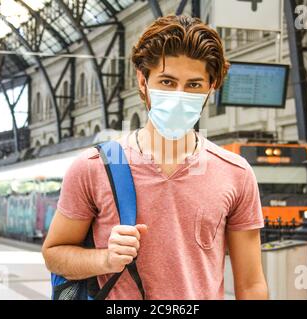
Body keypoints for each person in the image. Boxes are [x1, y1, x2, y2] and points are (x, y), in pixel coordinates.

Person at [42, 15, 268, 300]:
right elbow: (54, 254)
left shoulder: (236, 173)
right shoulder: (92, 168)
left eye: (194, 85)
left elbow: (251, 285)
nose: (178, 95)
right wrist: (106, 260)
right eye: (167, 81)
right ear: (143, 80)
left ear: (211, 87)